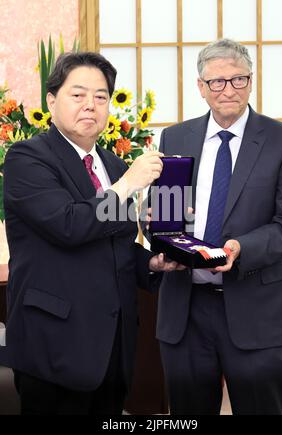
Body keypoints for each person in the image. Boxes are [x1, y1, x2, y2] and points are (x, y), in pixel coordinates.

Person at [0, 52, 184, 415]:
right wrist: (128, 184)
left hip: (114, 344)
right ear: (51, 101)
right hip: (54, 343)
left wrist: (152, 263)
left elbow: (114, 245)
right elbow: (69, 224)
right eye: (78, 95)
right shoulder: (27, 158)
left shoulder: (111, 164)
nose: (91, 105)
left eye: (101, 97)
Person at [143, 39, 282, 415]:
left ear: (251, 81)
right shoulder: (175, 137)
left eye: (238, 79)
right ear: (201, 86)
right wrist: (155, 228)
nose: (228, 90)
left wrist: (239, 248)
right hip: (186, 308)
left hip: (256, 308)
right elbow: (162, 212)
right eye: (217, 82)